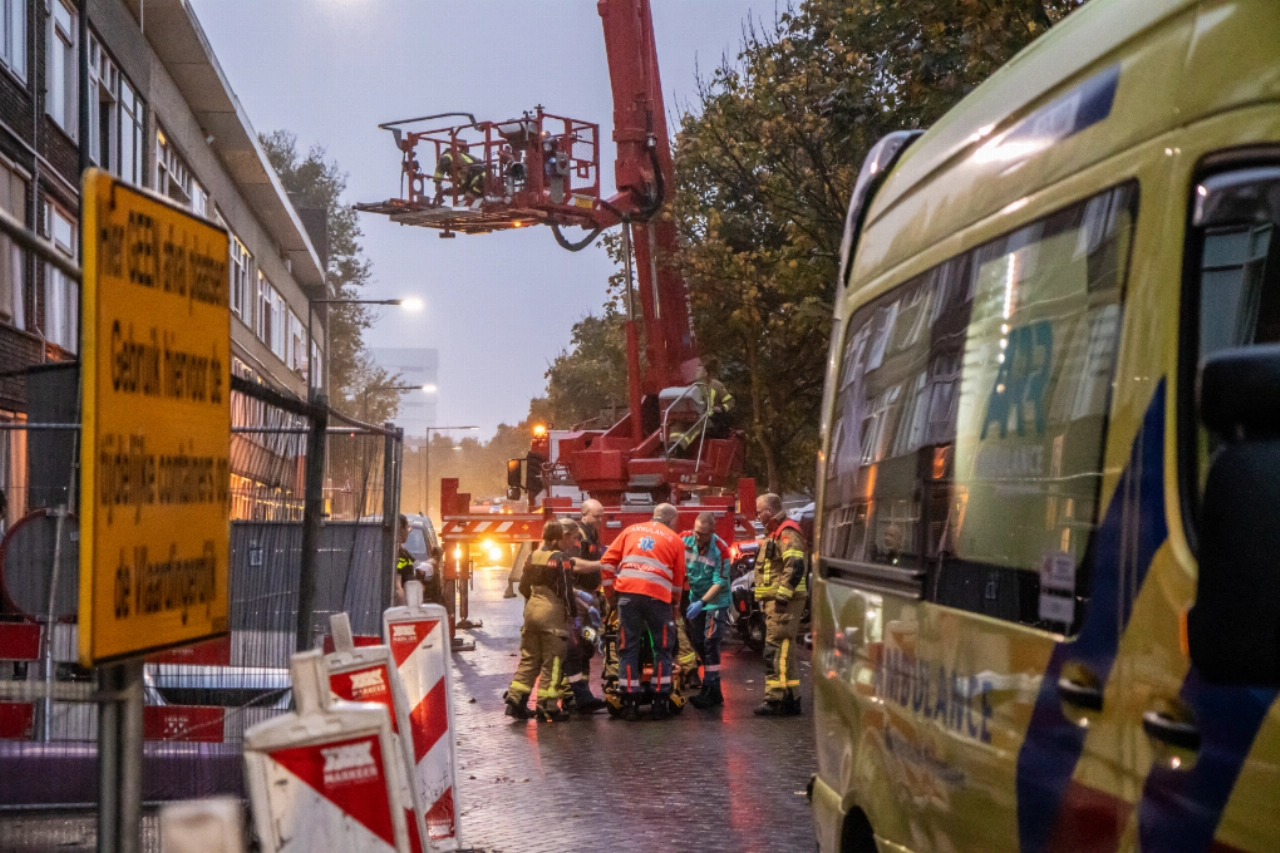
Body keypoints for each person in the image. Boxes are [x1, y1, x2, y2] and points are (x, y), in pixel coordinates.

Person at [599, 503, 687, 721]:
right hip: (658, 599)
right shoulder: (675, 540)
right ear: (672, 520)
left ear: (654, 516)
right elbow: (678, 582)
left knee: (627, 649)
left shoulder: (631, 530)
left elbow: (607, 563)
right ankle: (659, 701)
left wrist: (611, 595)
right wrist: (674, 609)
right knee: (662, 649)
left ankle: (630, 704)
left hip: (627, 595)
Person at [505, 520, 580, 723]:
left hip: (531, 612)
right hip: (552, 614)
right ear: (558, 538)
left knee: (530, 658)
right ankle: (547, 707)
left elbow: (522, 587)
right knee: (553, 661)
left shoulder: (532, 556)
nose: (570, 544)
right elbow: (566, 592)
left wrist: (534, 602)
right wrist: (573, 614)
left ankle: (516, 700)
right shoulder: (561, 559)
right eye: (567, 539)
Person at [753, 493, 808, 716]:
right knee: (785, 650)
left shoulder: (786, 532)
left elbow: (794, 565)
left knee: (774, 650)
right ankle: (791, 697)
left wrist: (783, 597)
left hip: (783, 603)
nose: (757, 516)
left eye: (759, 512)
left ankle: (775, 698)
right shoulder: (776, 532)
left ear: (769, 511)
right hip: (777, 602)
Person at [683, 512, 731, 710]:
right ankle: (713, 688)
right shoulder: (685, 540)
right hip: (697, 600)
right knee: (698, 642)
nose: (698, 537)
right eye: (696, 532)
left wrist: (702, 602)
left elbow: (719, 582)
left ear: (712, 532)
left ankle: (710, 689)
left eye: (703, 534)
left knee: (711, 643)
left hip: (715, 602)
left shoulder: (721, 549)